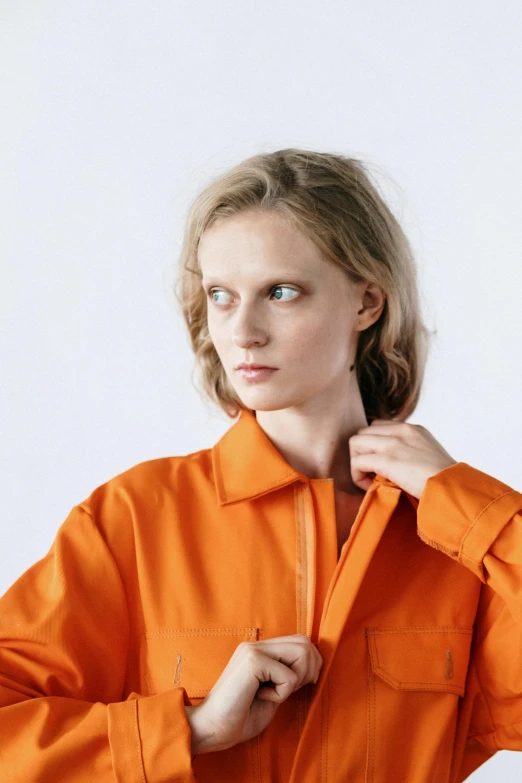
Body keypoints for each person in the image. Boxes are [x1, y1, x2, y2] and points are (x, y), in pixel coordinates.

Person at [1, 148, 521, 782]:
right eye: (221, 295)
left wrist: (472, 509)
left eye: (280, 292)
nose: (242, 330)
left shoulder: (453, 538)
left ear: (367, 304)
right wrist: (189, 731)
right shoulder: (135, 519)